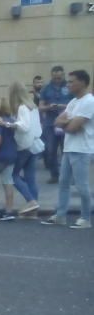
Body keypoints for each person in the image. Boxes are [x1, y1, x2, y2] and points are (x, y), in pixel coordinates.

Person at [42, 70, 93, 229]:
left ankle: (85, 218)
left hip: (82, 149)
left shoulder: (89, 101)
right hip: (69, 148)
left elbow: (72, 127)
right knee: (63, 183)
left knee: (81, 185)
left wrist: (67, 122)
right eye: (68, 81)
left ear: (83, 83)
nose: (68, 84)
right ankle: (60, 215)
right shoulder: (73, 102)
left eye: (72, 81)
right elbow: (57, 121)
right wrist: (67, 121)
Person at [6, 81, 45, 216]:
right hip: (34, 144)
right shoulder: (32, 106)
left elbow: (24, 126)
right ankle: (33, 211)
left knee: (13, 175)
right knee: (30, 178)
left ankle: (31, 201)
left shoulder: (22, 108)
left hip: (24, 146)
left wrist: (10, 124)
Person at [39, 65, 71, 183]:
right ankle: (54, 175)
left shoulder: (70, 86)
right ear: (51, 76)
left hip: (66, 123)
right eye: (55, 77)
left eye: (59, 77)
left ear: (63, 75)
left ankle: (67, 176)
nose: (57, 79)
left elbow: (77, 104)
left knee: (66, 151)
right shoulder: (46, 88)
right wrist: (48, 107)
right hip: (50, 124)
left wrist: (64, 106)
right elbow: (41, 107)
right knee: (50, 150)